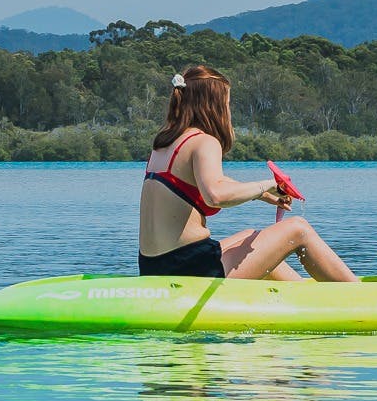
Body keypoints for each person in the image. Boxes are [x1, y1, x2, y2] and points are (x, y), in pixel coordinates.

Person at [139, 64, 358, 281]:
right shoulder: (204, 142)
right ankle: (358, 294)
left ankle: (303, 296)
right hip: (191, 270)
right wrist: (266, 185)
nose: (228, 111)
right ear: (213, 105)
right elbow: (215, 195)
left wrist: (262, 195)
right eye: (227, 103)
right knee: (298, 229)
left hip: (156, 266)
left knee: (251, 238)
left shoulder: (164, 144)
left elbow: (209, 181)